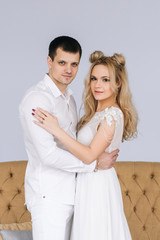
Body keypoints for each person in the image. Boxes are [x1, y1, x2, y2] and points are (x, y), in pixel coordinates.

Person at [19, 36, 119, 240]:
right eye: (62, 62)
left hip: (75, 195)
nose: (68, 70)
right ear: (49, 62)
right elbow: (48, 155)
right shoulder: (37, 99)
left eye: (74, 64)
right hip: (49, 197)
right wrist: (93, 165)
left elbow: (73, 145)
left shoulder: (70, 100)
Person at [32, 50, 138, 240]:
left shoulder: (112, 115)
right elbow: (86, 156)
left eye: (105, 80)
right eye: (94, 78)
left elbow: (88, 155)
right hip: (87, 182)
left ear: (118, 83)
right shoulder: (95, 113)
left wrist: (56, 129)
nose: (97, 85)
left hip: (98, 185)